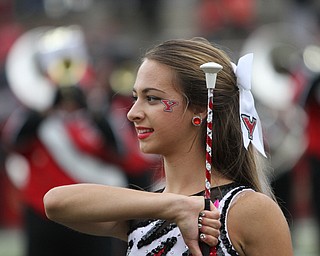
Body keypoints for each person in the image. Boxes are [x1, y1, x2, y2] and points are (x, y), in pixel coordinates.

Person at [43, 37, 293, 256]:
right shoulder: (151, 207)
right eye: (135, 97)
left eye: (152, 98)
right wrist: (177, 207)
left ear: (200, 109)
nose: (132, 113)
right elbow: (55, 203)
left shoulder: (247, 209)